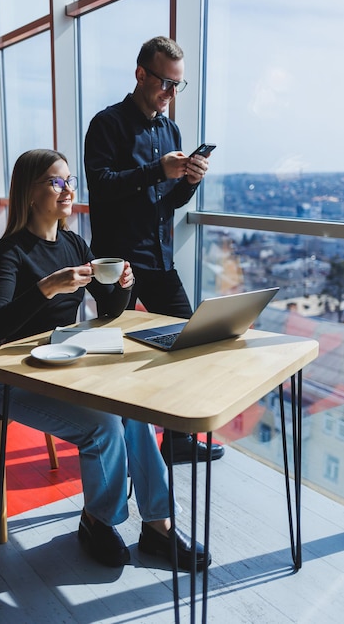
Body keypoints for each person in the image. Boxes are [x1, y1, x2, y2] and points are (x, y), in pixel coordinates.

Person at [0, 148, 210, 571]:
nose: (67, 189)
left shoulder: (72, 242)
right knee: (104, 425)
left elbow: (109, 310)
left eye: (69, 180)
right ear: (29, 192)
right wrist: (46, 289)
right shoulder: (11, 251)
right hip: (14, 378)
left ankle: (157, 526)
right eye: (55, 181)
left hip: (66, 369)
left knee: (134, 413)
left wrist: (125, 284)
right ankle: (97, 522)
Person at [84, 36, 224, 465]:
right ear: (141, 74)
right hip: (117, 263)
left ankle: (177, 441)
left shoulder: (170, 130)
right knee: (114, 357)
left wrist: (188, 182)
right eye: (165, 82)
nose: (170, 93)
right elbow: (101, 188)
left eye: (177, 85)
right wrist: (155, 170)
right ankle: (116, 450)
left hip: (160, 258)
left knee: (191, 341)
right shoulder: (106, 123)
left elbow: (168, 203)